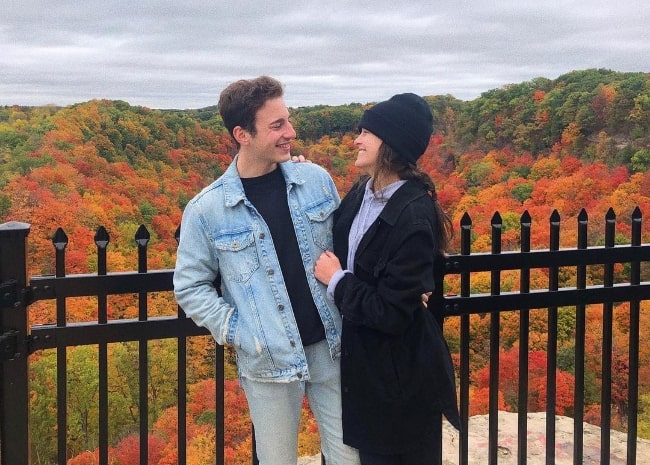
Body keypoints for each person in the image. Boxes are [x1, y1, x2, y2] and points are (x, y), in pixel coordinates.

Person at [173, 76, 360, 465]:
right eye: (277, 126)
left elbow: (348, 248)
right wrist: (239, 331)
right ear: (242, 133)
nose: (290, 132)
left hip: (333, 347)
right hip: (268, 361)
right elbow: (190, 287)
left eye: (287, 121)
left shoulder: (316, 181)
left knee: (349, 457)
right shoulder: (207, 210)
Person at [314, 93, 461, 465]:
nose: (357, 139)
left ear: (390, 144)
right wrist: (297, 173)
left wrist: (338, 281)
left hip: (400, 384)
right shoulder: (364, 192)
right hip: (369, 373)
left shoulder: (412, 213)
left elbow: (392, 312)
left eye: (367, 132)